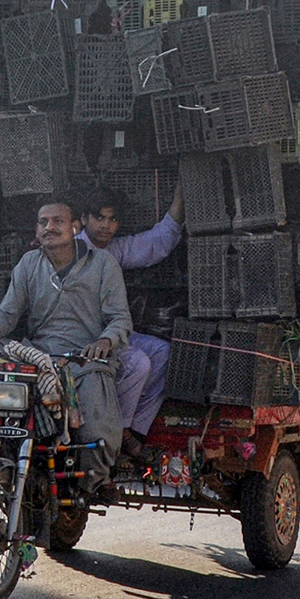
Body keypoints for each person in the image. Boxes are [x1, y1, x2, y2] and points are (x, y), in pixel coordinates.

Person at [0, 199, 131, 500]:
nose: (50, 227)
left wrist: (104, 342)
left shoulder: (103, 264)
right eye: (43, 222)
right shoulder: (28, 264)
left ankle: (92, 483)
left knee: (98, 431)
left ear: (75, 227)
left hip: (83, 360)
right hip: (38, 355)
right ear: (37, 229)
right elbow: (7, 314)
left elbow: (119, 318)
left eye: (58, 221)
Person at [80, 180, 184, 460]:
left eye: (112, 220)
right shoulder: (72, 251)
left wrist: (178, 201)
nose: (106, 226)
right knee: (138, 362)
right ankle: (120, 433)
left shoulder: (114, 250)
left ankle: (134, 429)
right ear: (83, 219)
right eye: (99, 218)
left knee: (161, 352)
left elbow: (156, 243)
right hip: (82, 338)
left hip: (110, 335)